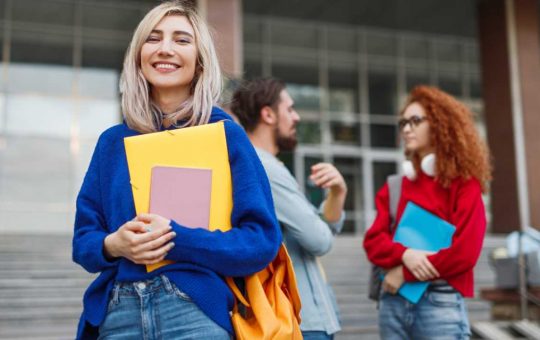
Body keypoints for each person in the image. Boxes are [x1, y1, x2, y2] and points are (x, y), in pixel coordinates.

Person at [72, 2, 281, 339]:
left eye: (181, 40)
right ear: (139, 54)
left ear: (199, 61)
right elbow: (83, 241)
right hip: (119, 314)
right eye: (153, 39)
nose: (165, 49)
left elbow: (260, 241)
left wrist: (176, 238)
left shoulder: (225, 134)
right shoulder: (112, 143)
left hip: (194, 309)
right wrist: (114, 244)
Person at [363, 85, 492, 339]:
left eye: (415, 120)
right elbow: (373, 242)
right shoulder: (396, 186)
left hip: (439, 302)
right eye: (403, 123)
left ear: (441, 125)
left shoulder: (465, 184)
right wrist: (406, 253)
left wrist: (404, 271)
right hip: (393, 301)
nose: (406, 128)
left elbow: (464, 253)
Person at [231, 77, 347, 340]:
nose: (296, 118)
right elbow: (318, 239)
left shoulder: (258, 163)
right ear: (268, 114)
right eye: (290, 109)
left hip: (296, 316)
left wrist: (338, 192)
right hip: (300, 320)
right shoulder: (265, 168)